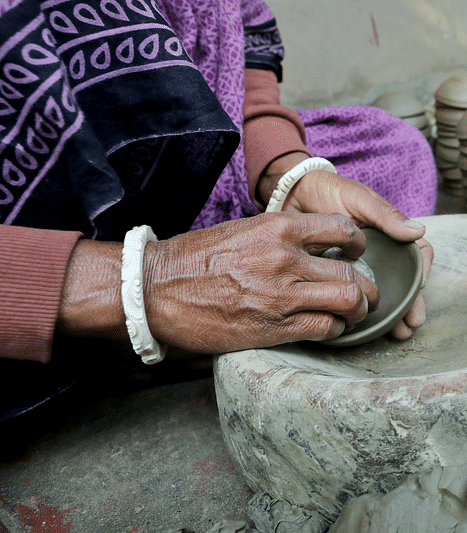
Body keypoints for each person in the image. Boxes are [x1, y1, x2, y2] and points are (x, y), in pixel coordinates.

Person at [0, 0, 437, 415]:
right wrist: (148, 281)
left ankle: (208, 296)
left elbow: (238, 71)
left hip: (192, 159)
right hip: (48, 224)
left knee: (399, 150)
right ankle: (102, 331)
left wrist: (287, 173)